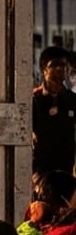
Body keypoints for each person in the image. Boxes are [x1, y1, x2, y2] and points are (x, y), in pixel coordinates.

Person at [32, 46, 76, 176]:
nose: (59, 69)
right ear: (44, 69)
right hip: (40, 174)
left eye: (62, 65)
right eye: (54, 65)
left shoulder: (72, 99)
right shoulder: (34, 100)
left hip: (66, 171)